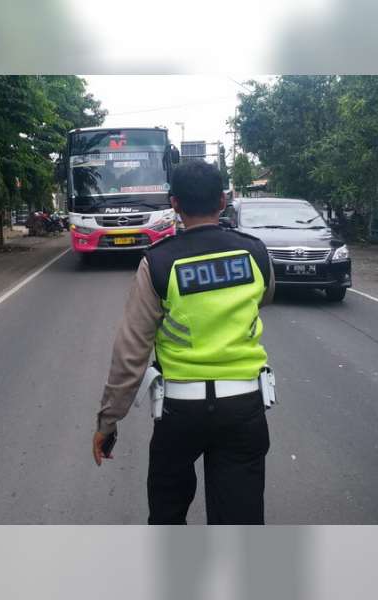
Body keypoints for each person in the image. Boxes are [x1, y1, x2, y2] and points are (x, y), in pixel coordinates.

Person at [92, 160, 275, 525]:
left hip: (181, 413)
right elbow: (265, 296)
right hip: (245, 408)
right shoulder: (255, 252)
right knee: (241, 518)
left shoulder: (158, 262)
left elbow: (131, 352)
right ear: (222, 201)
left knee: (167, 513)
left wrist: (108, 421)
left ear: (174, 204)